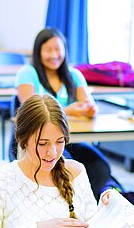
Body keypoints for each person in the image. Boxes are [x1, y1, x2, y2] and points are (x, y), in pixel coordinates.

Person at [0, 94, 113, 228]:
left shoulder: (76, 173)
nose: (52, 152)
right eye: (42, 143)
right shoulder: (0, 180)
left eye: (60, 142)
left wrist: (107, 210)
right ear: (21, 139)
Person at [15, 28, 110, 199]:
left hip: (69, 140)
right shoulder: (28, 73)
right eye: (48, 50)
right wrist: (69, 111)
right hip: (38, 143)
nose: (54, 55)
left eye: (58, 49)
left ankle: (84, 205)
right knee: (63, 166)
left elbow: (90, 108)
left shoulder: (74, 75)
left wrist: (78, 110)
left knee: (100, 167)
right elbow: (30, 113)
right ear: (38, 51)